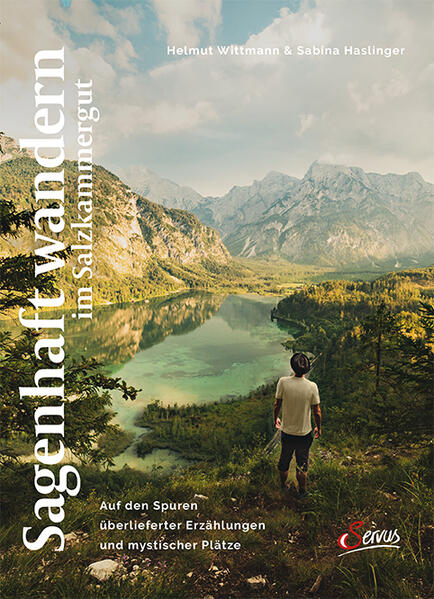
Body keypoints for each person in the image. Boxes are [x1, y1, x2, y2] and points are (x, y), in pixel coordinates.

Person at [273, 353, 321, 497]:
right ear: (306, 369)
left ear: (292, 366)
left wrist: (276, 418)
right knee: (302, 464)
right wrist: (319, 427)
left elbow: (277, 404)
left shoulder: (283, 382)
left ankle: (283, 486)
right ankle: (302, 491)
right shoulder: (312, 386)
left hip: (287, 432)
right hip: (304, 433)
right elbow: (316, 411)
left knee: (284, 461)